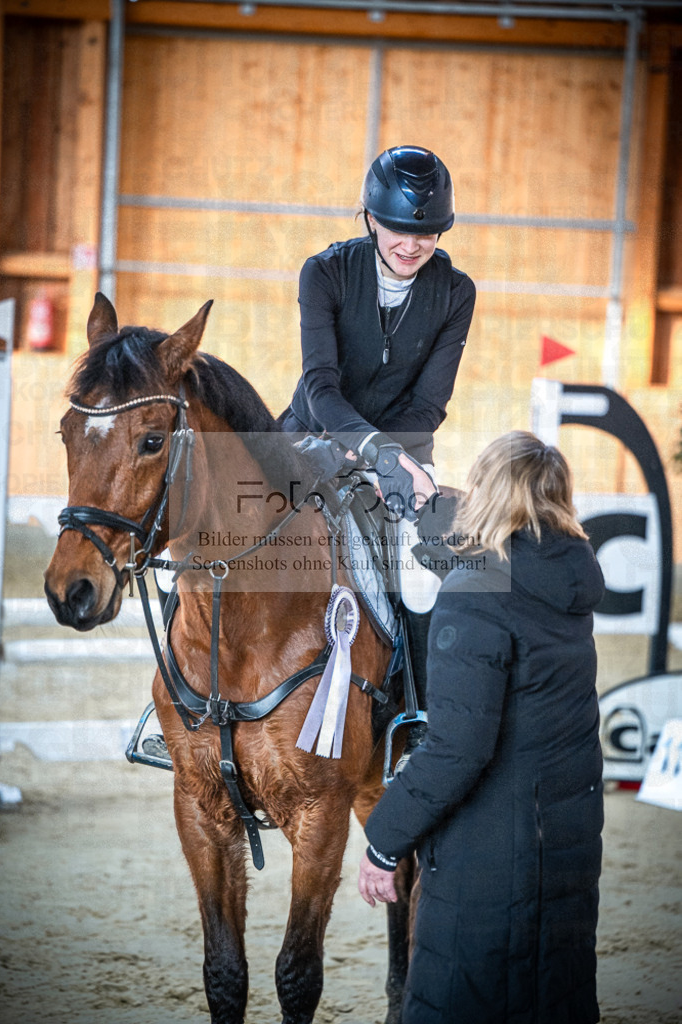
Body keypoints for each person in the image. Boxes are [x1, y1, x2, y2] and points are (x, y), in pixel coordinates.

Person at [358, 430, 605, 1024]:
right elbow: (488, 569)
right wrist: (424, 514)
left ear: (487, 493)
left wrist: (383, 841)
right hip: (563, 844)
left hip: (490, 858)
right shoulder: (565, 583)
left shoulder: (475, 596)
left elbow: (458, 748)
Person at [279, 145, 476, 747]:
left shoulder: (456, 292)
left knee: (421, 575)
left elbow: (429, 403)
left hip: (405, 451)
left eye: (427, 232)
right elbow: (320, 386)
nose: (410, 244)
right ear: (369, 218)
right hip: (311, 440)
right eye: (396, 227)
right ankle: (195, 705)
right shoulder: (325, 273)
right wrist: (371, 451)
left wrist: (390, 459)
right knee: (235, 538)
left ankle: (415, 722)